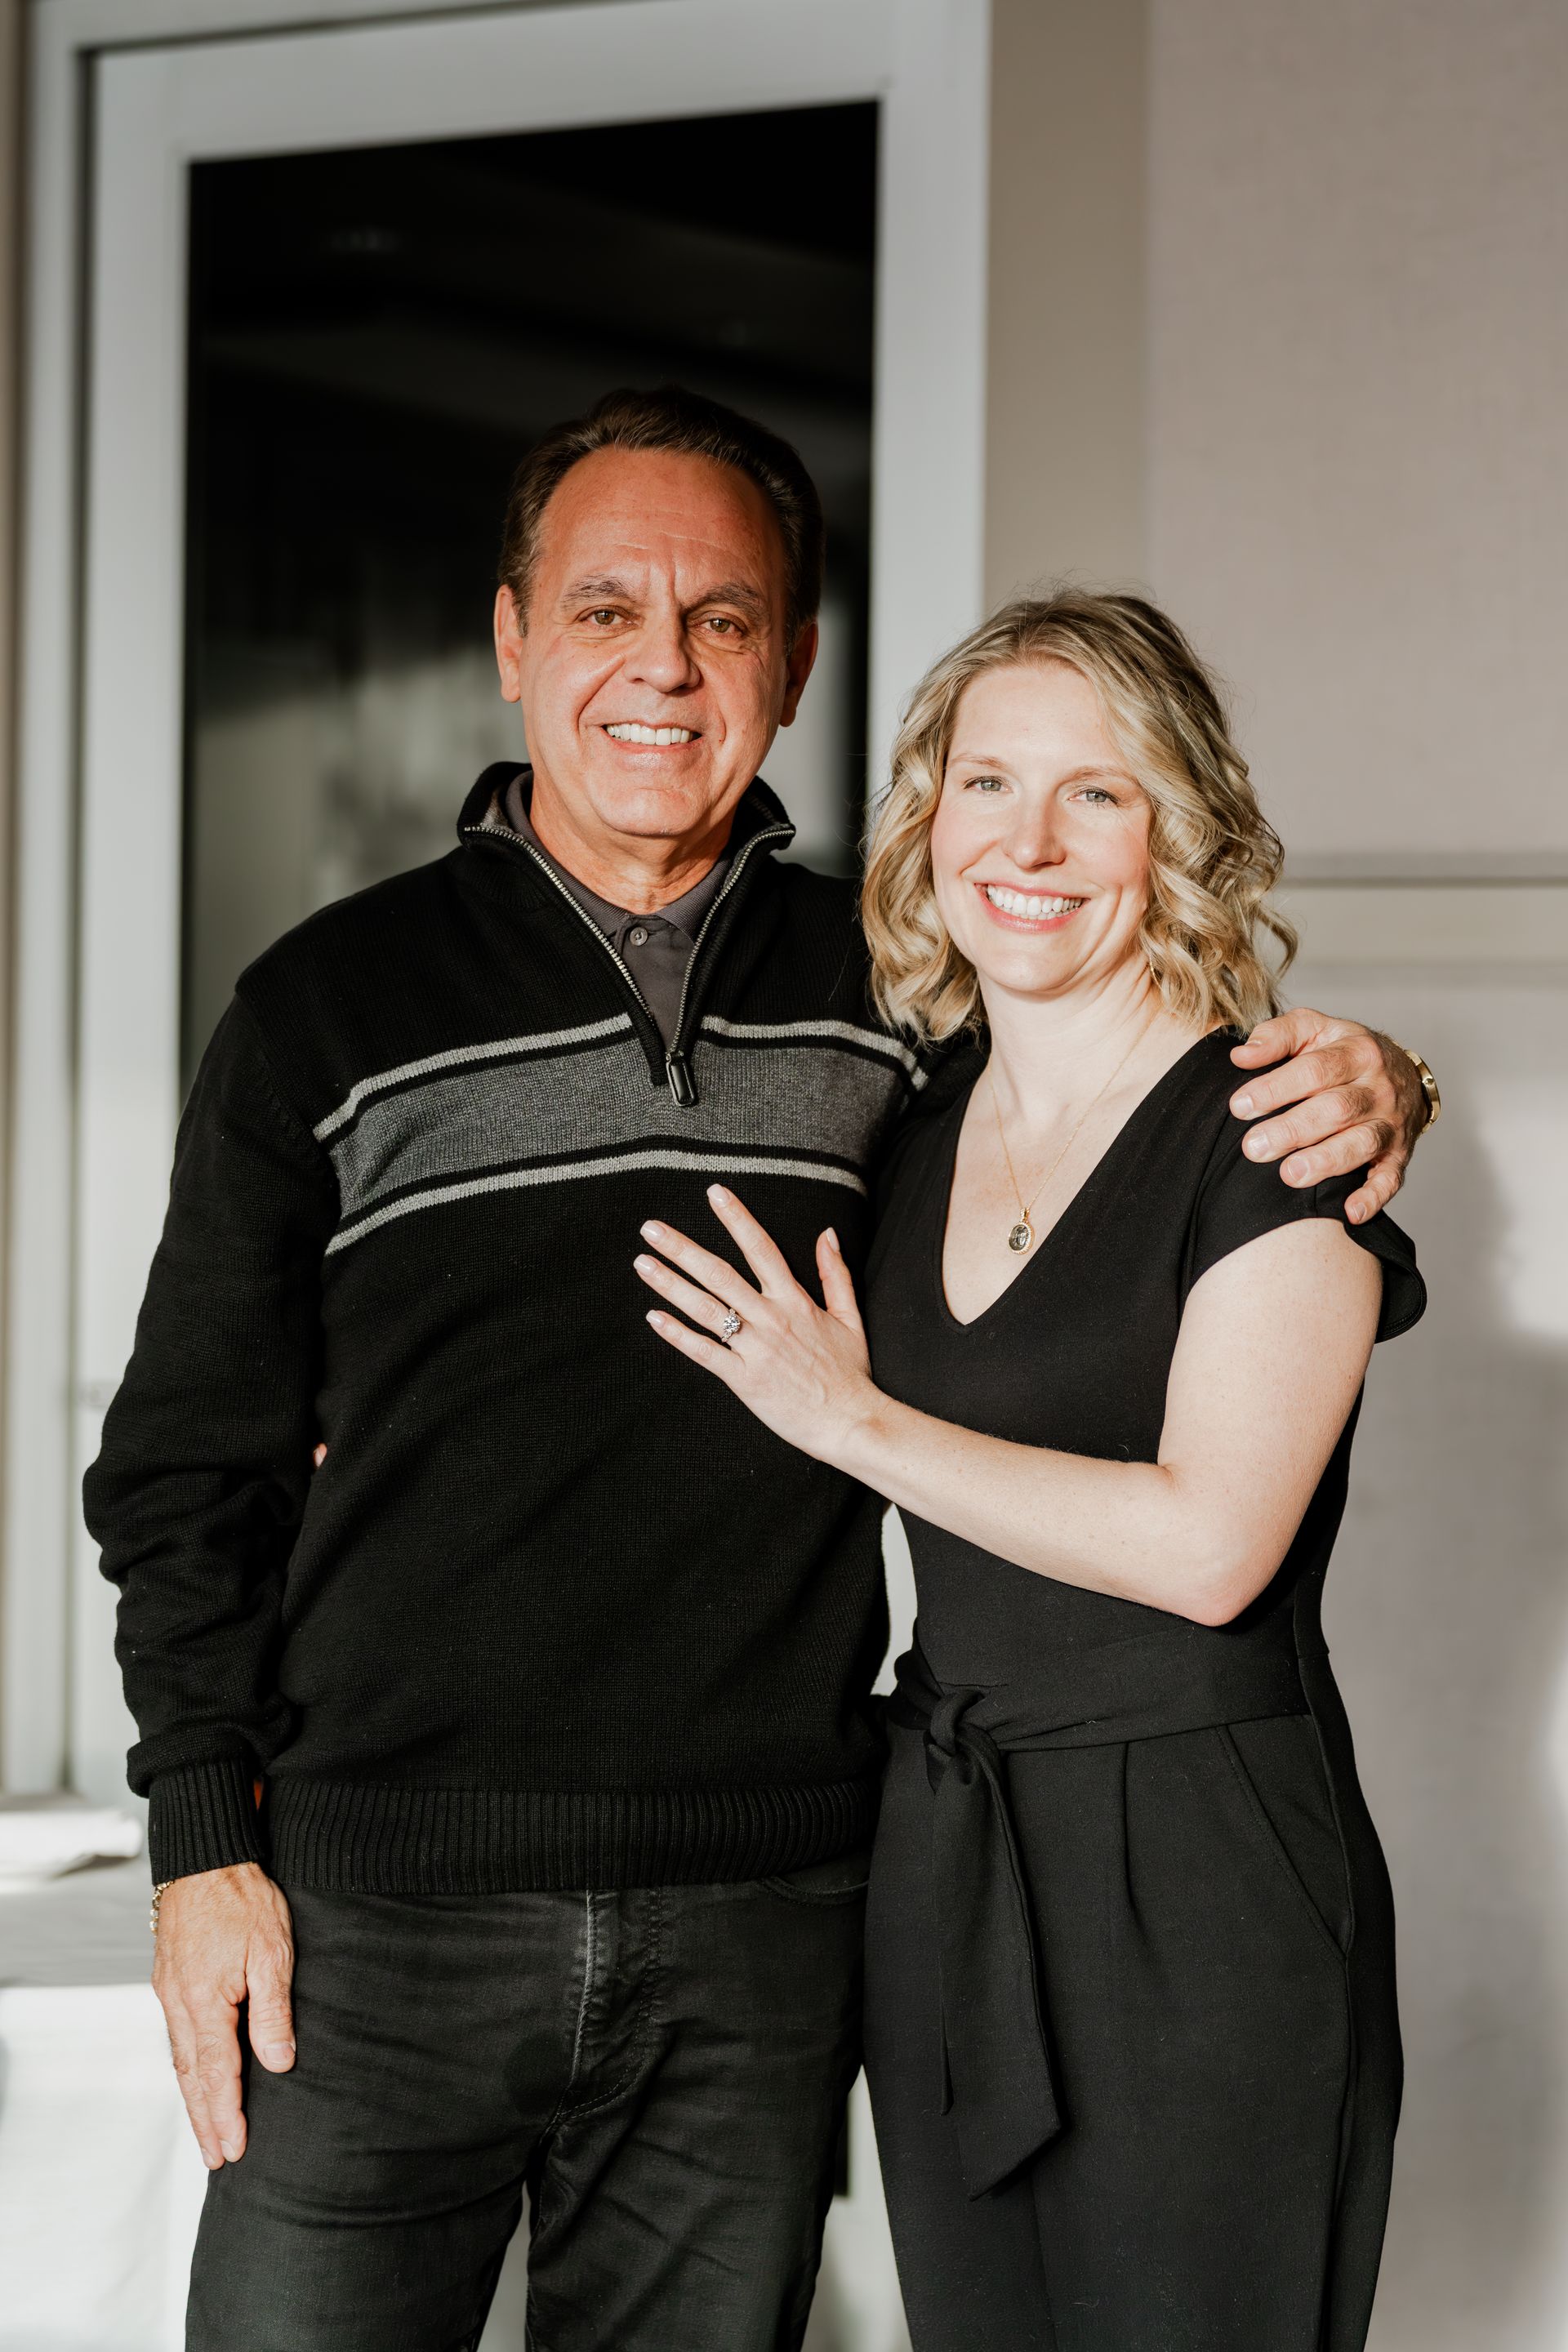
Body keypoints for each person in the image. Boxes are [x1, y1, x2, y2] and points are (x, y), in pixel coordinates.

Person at [86, 390, 1431, 2352]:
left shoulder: (895, 1008)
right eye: (607, 606)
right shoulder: (328, 1008)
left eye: (724, 619)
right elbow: (186, 1465)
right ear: (512, 641)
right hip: (382, 1924)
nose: (663, 662)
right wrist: (202, 1840)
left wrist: (1378, 1082)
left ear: (793, 668)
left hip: (769, 1919)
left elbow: (1143, 1125)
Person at [634, 591, 1426, 2352]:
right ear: (927, 819)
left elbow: (1214, 1547)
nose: (1031, 844)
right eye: (988, 784)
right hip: (950, 1865)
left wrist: (859, 1425)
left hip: (1203, 1876)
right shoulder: (904, 1128)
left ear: (1180, 831)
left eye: (1099, 793)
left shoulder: (1275, 1134)